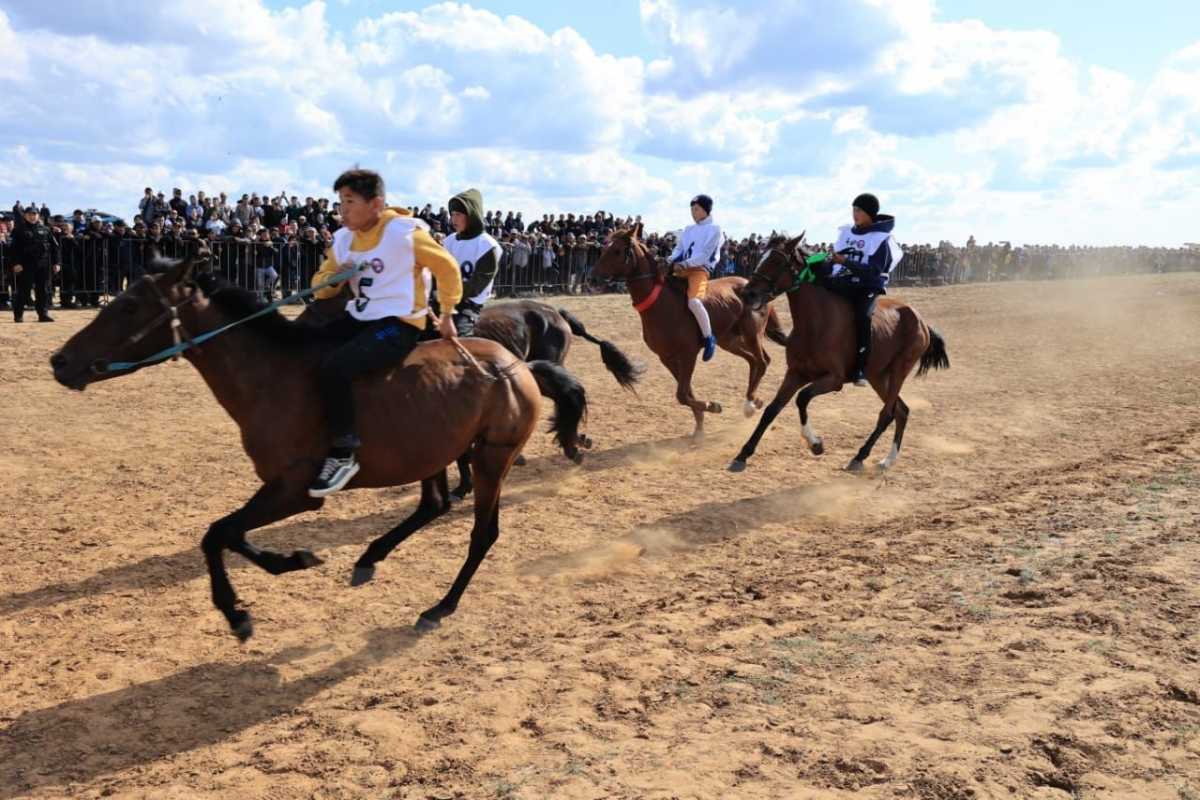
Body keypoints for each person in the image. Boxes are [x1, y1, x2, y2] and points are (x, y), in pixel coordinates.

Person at [306, 168, 464, 497]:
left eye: (349, 202)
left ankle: (344, 452)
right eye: (340, 203)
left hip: (399, 324)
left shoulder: (405, 233)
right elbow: (320, 289)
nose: (343, 210)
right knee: (304, 348)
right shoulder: (343, 239)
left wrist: (448, 313)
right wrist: (333, 279)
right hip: (359, 317)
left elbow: (447, 268)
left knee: (336, 367)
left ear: (376, 203)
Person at [825, 193, 903, 387]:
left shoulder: (881, 240)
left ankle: (860, 367)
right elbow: (835, 259)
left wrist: (846, 262)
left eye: (858, 210)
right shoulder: (846, 233)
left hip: (867, 286)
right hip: (843, 281)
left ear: (869, 213)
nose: (854, 213)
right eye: (853, 209)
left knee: (862, 316)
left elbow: (874, 271)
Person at [437, 188, 500, 337]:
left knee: (456, 340)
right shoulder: (449, 241)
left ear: (471, 216)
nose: (453, 219)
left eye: (458, 214)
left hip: (469, 306)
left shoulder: (487, 246)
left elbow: (476, 287)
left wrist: (446, 293)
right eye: (452, 215)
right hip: (445, 300)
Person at [667, 194, 724, 361]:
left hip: (699, 270)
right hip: (681, 268)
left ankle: (708, 337)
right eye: (692, 209)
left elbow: (705, 255)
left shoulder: (715, 229)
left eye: (696, 209)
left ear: (705, 210)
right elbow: (679, 250)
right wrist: (669, 260)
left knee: (694, 302)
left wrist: (684, 264)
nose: (693, 212)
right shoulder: (688, 229)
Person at [8, 203, 60, 323]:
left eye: (34, 214)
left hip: (43, 265)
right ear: (25, 215)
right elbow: (12, 249)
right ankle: (18, 315)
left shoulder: (46, 229)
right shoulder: (18, 230)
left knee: (43, 290)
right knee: (23, 291)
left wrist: (57, 263)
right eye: (30, 214)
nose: (32, 216)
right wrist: (16, 263)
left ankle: (43, 314)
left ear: (38, 216)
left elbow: (55, 247)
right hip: (25, 265)